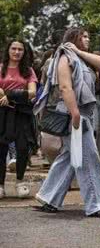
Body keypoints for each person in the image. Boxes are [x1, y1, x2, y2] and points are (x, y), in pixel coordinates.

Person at [34, 28, 100, 217]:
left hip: (82, 112)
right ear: (72, 39)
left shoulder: (81, 57)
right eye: (83, 36)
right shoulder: (64, 57)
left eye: (88, 36)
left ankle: (49, 196)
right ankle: (97, 204)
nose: (87, 39)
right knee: (88, 158)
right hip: (73, 112)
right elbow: (66, 87)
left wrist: (79, 51)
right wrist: (75, 113)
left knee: (69, 156)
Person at [0, 39, 38, 199]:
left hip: (22, 114)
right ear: (8, 50)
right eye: (14, 49)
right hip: (2, 113)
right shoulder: (1, 68)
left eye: (20, 49)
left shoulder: (28, 71)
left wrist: (9, 95)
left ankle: (20, 180)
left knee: (23, 148)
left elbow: (33, 92)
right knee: (1, 149)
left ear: (24, 52)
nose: (16, 52)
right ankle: (0, 185)